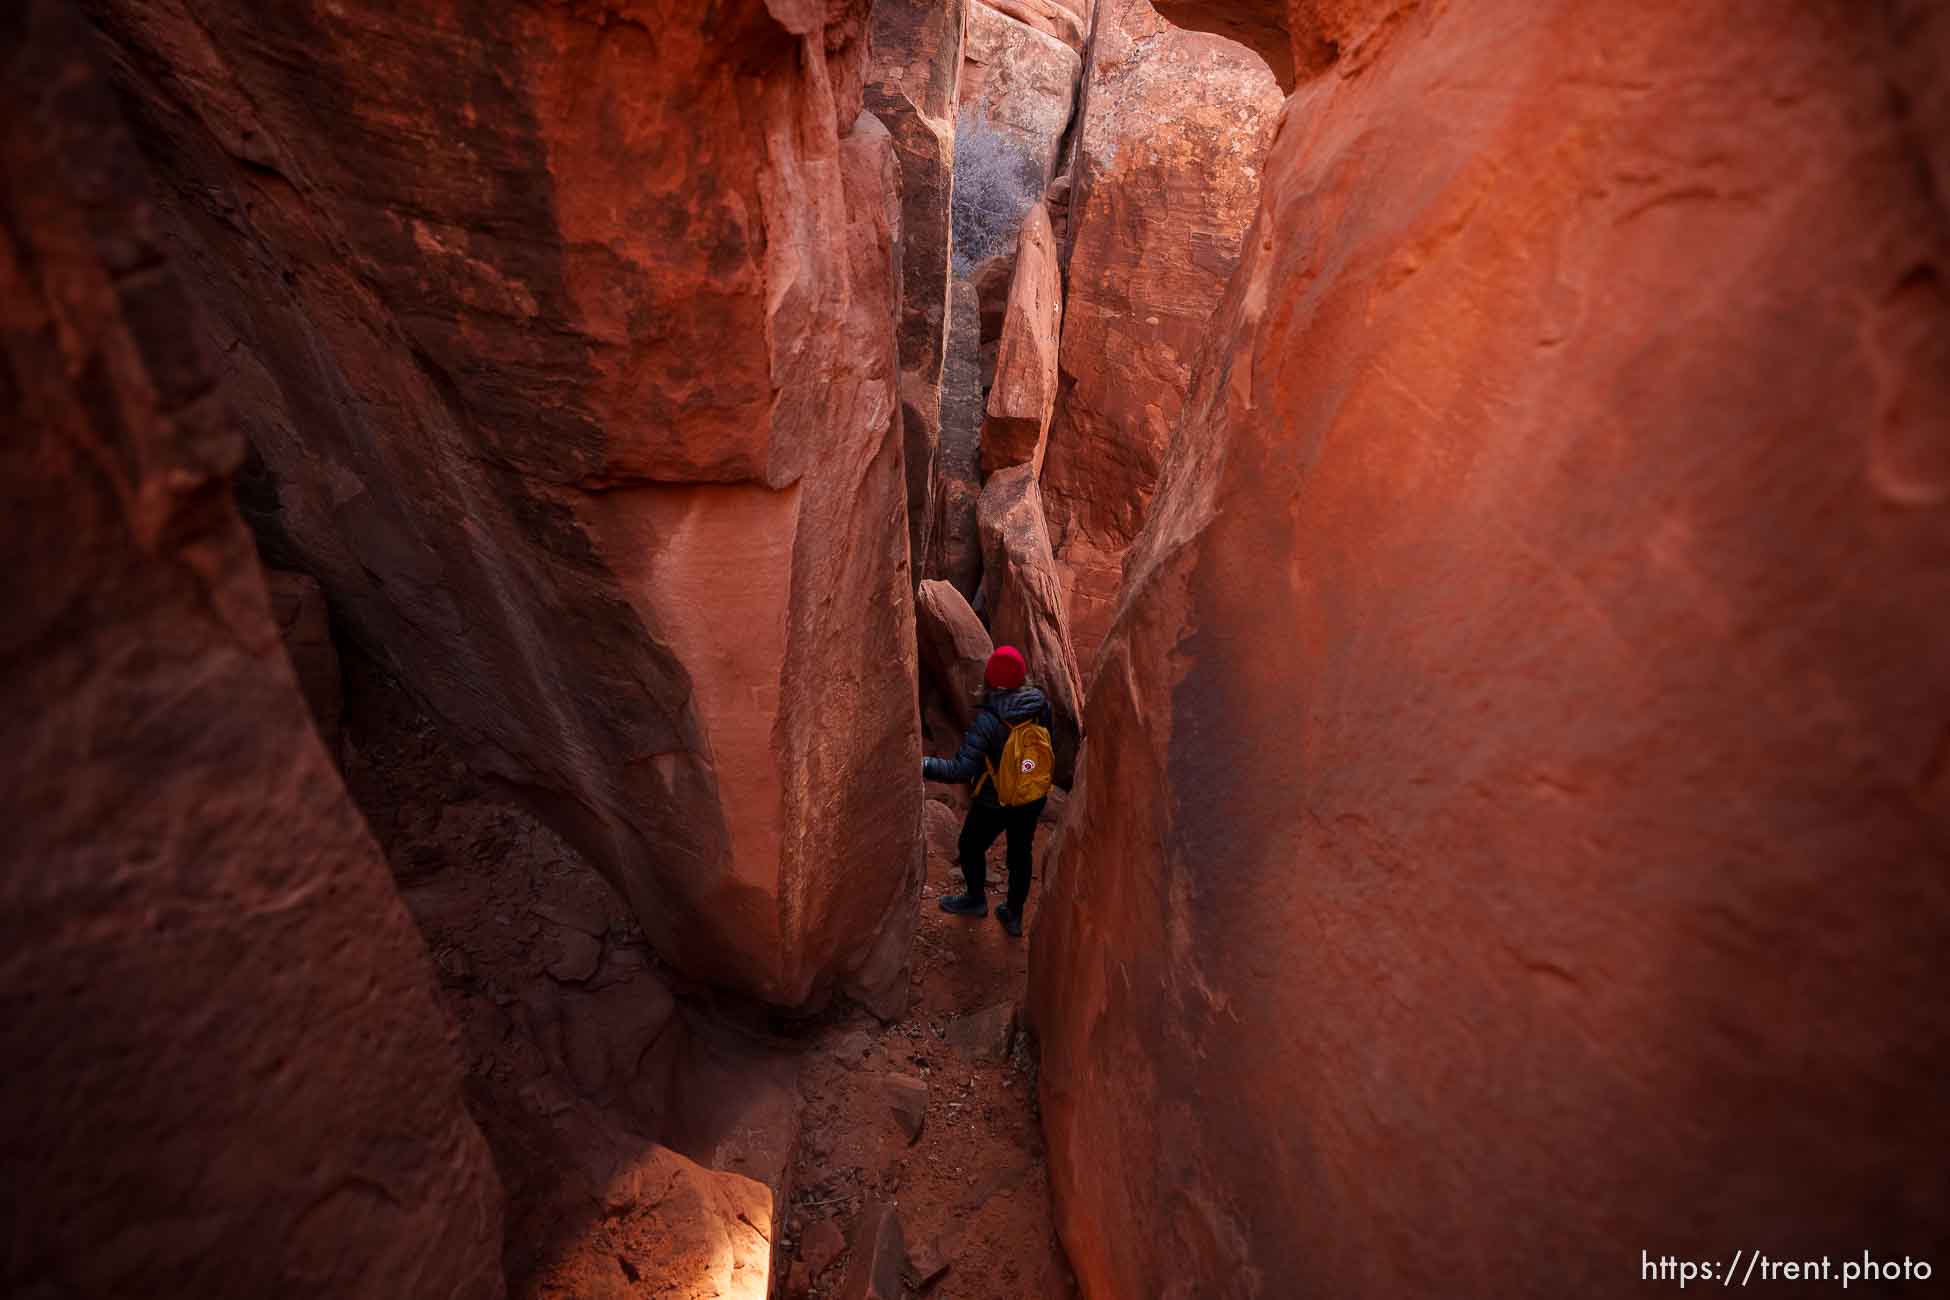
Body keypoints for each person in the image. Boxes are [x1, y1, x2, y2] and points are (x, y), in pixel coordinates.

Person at [921, 645, 1053, 937]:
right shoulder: (1041, 705)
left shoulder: (989, 720)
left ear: (991, 679)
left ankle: (975, 899)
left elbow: (961, 770)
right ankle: (1014, 915)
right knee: (1021, 853)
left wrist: (924, 764)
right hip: (1031, 796)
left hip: (994, 801)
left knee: (970, 846)